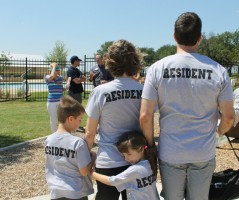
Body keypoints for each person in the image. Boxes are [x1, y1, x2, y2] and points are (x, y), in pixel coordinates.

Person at [140, 12, 235, 200]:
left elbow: (145, 116)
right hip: (203, 151)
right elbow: (229, 117)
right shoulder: (218, 70)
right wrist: (218, 133)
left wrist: (150, 145)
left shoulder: (157, 69)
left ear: (174, 36)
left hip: (170, 151)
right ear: (200, 38)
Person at [85, 39, 144, 200]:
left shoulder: (100, 92)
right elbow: (147, 121)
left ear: (110, 62)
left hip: (108, 160)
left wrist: (84, 158)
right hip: (136, 158)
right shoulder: (143, 90)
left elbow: (90, 132)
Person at [45, 96, 96, 200]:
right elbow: (84, 171)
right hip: (76, 193)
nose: (80, 123)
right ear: (71, 119)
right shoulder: (77, 143)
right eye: (79, 119)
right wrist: (93, 157)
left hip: (56, 193)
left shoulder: (48, 140)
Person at [91, 131, 160, 200]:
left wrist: (92, 173)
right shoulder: (149, 163)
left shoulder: (135, 169)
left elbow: (112, 181)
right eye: (124, 155)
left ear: (141, 149)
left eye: (129, 154)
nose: (126, 158)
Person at [45, 63, 64, 133]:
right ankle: (54, 135)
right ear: (52, 70)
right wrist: (54, 65)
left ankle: (61, 133)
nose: (58, 71)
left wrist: (66, 88)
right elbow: (51, 76)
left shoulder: (61, 78)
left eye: (58, 70)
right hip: (52, 102)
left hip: (60, 101)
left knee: (62, 119)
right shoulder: (47, 77)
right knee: (53, 120)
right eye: (56, 70)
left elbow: (60, 89)